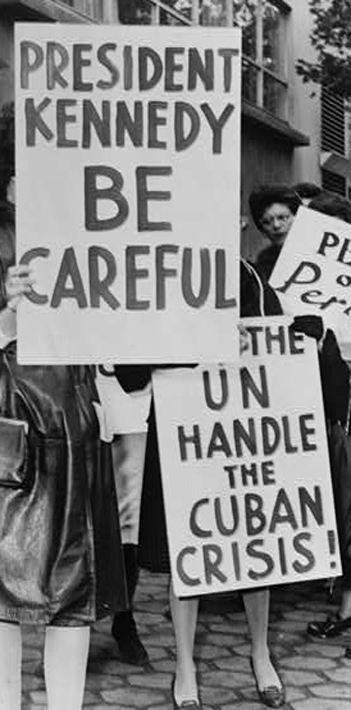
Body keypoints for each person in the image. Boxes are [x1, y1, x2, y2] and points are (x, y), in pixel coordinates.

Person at [0, 102, 128, 710]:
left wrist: (198, 331)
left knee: (74, 590)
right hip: (12, 440)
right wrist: (5, 311)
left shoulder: (96, 237)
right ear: (15, 180)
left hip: (77, 431)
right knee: (2, 591)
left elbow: (131, 338)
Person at [135, 258, 285, 709]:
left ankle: (261, 653)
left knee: (251, 535)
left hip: (240, 426)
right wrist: (201, 346)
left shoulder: (245, 275)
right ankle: (185, 666)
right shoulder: (150, 272)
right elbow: (129, 370)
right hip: (182, 427)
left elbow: (278, 340)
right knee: (188, 543)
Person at [96, 364, 151, 664]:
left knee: (130, 521)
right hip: (81, 399)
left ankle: (124, 619)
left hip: (133, 407)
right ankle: (66, 625)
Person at [249, 185, 302, 280]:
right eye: (266, 222)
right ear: (263, 231)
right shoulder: (263, 265)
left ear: (297, 217)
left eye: (282, 218)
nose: (276, 225)